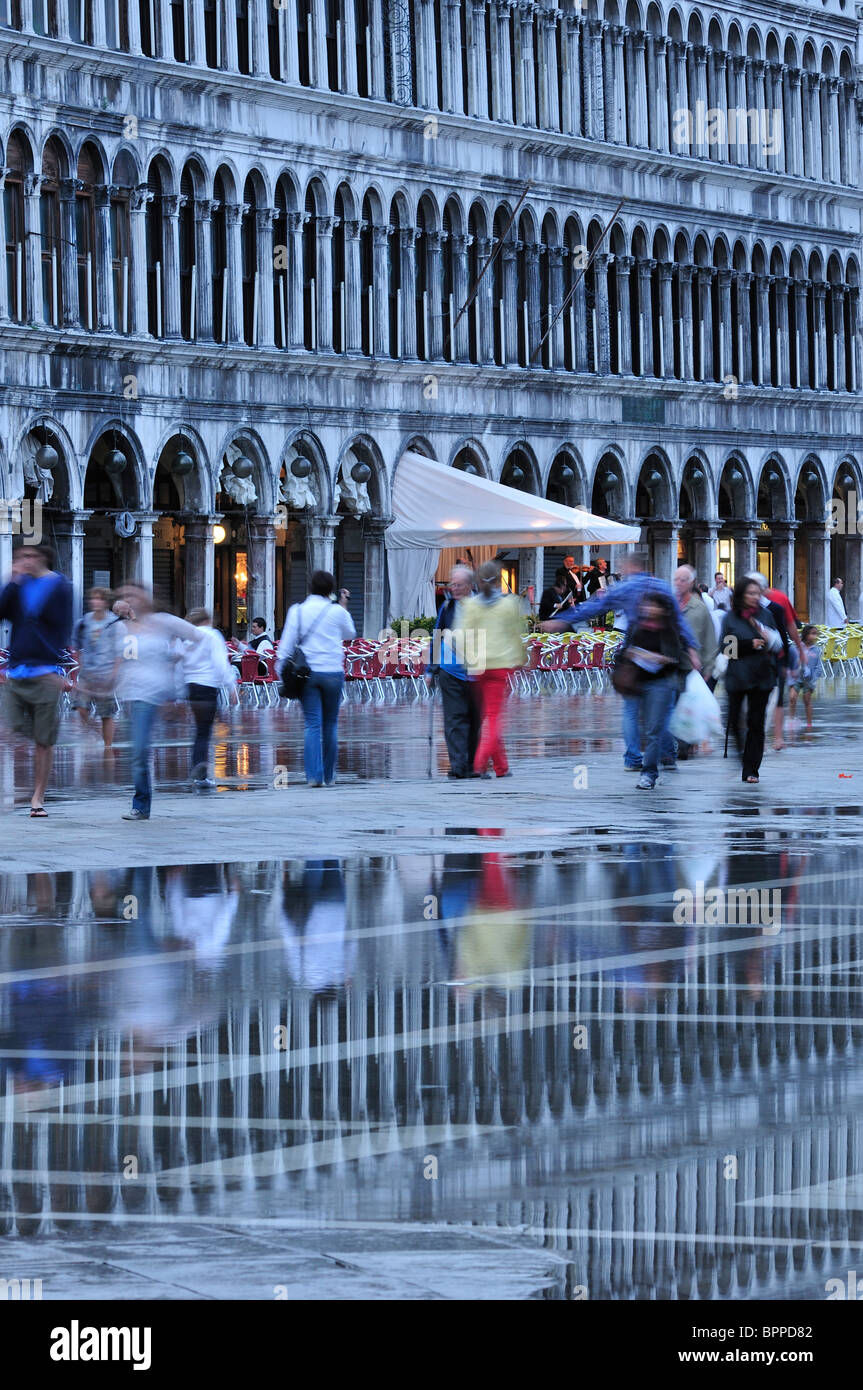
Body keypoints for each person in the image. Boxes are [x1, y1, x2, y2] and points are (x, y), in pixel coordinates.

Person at [541, 551, 701, 772]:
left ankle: (633, 758)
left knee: (631, 709)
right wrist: (692, 648)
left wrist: (562, 620)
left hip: (634, 652)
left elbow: (594, 606)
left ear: (630, 567)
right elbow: (680, 622)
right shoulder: (663, 587)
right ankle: (667, 754)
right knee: (661, 708)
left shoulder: (625, 588)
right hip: (661, 653)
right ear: (648, 567)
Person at [114, 584, 205, 821]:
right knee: (136, 751)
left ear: (145, 598)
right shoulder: (123, 629)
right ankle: (141, 803)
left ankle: (141, 804)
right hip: (130, 695)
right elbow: (120, 660)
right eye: (125, 597)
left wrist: (176, 655)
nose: (129, 600)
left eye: (133, 595)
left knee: (140, 749)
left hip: (152, 694)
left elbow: (197, 636)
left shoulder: (163, 621)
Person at [0, 544, 73, 816]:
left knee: (43, 742)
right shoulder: (18, 586)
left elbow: (62, 626)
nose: (25, 561)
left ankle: (37, 798)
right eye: (21, 557)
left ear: (43, 558)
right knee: (13, 725)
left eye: (30, 556)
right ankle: (47, 737)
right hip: (16, 670)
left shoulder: (60, 586)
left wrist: (58, 667)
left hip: (45, 672)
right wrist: (12, 581)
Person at [276, 570, 355, 787]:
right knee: (330, 724)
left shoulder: (298, 611)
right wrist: (342, 605)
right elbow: (349, 633)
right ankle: (329, 775)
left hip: (307, 673)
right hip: (332, 673)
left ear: (309, 587)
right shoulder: (337, 611)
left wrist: (280, 670)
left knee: (312, 724)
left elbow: (286, 645)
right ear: (330, 590)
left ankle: (314, 776)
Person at [456, 559, 526, 779]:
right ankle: (479, 763)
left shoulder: (471, 605)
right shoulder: (510, 604)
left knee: (489, 715)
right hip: (500, 664)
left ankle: (501, 767)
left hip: (478, 667)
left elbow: (463, 636)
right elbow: (516, 634)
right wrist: (522, 658)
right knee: (494, 718)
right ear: (499, 580)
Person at [615, 592, 686, 791]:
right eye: (647, 605)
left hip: (660, 683)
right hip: (638, 682)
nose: (650, 610)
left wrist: (660, 659)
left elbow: (675, 656)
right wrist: (633, 653)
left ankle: (648, 773)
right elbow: (624, 651)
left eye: (655, 606)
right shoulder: (636, 627)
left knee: (653, 730)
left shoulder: (669, 629)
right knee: (643, 725)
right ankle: (645, 761)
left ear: (663, 609)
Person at [720, 576, 782, 784]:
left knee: (757, 722)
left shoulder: (766, 615)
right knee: (735, 720)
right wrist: (750, 644)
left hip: (762, 675)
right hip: (738, 675)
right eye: (751, 593)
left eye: (758, 593)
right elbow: (725, 648)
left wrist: (769, 640)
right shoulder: (730, 618)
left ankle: (751, 769)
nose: (755, 597)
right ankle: (741, 755)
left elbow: (778, 644)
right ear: (741, 595)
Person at [426, 565, 480, 780]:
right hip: (450, 670)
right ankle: (458, 766)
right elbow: (437, 635)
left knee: (475, 719)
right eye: (452, 584)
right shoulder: (448, 606)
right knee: (455, 718)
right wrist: (430, 669)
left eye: (458, 585)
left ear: (469, 585)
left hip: (477, 671)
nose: (454, 589)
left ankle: (472, 764)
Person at [182, 608, 236, 791]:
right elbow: (220, 662)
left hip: (191, 686)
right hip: (207, 686)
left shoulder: (187, 637)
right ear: (207, 620)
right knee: (204, 730)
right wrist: (231, 686)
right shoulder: (212, 635)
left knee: (199, 730)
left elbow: (178, 660)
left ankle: (198, 766)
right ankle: (201, 771)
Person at [753, 571, 806, 751]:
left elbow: (789, 627)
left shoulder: (778, 603)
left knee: (777, 696)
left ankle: (777, 737)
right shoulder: (743, 608)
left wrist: (799, 650)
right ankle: (771, 737)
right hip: (756, 657)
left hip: (777, 655)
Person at [70, 586, 124, 750]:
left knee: (106, 713)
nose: (96, 602)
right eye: (93, 598)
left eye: (100, 598)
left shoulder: (114, 622)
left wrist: (115, 673)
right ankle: (92, 730)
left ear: (106, 602)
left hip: (106, 673)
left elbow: (119, 650)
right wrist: (79, 667)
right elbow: (76, 646)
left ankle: (108, 746)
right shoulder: (84, 622)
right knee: (80, 707)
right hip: (88, 674)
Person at [673, 565, 719, 754]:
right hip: (667, 665)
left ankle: (684, 746)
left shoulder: (699, 608)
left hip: (689, 668)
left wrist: (709, 667)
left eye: (684, 579)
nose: (679, 583)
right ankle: (674, 747)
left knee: (685, 706)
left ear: (691, 583)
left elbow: (709, 639)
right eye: (676, 579)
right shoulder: (669, 604)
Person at [788, 625, 824, 729]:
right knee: (792, 698)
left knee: (807, 700)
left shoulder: (816, 650)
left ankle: (809, 724)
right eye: (812, 634)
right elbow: (790, 662)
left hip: (809, 680)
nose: (815, 636)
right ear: (806, 634)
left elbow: (818, 666)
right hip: (796, 679)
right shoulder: (796, 647)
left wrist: (814, 679)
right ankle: (791, 721)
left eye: (816, 634)